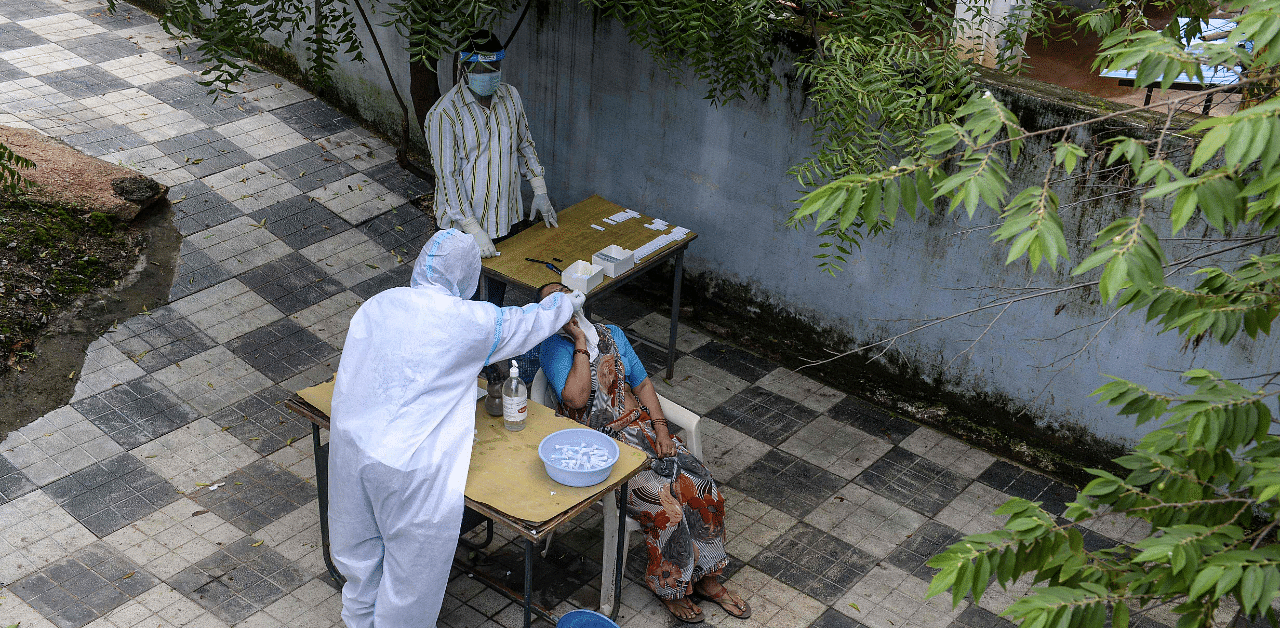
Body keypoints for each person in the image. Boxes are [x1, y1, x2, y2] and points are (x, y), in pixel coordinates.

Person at [326, 230, 578, 628]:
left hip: (352, 448)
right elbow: (531, 322)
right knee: (410, 580)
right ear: (467, 275)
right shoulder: (470, 321)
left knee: (359, 561)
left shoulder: (379, 304)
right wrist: (567, 298)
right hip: (411, 470)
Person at [537, 282, 751, 623]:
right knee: (665, 503)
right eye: (552, 302)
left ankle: (709, 579)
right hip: (603, 449)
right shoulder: (552, 348)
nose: (562, 305)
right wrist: (579, 342)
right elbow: (575, 400)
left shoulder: (612, 334)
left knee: (703, 487)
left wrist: (663, 430)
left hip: (645, 432)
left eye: (565, 295)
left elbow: (643, 385)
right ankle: (671, 588)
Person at [425, 29, 557, 307]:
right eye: (483, 69)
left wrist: (539, 190)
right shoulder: (444, 114)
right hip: (463, 228)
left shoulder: (510, 97)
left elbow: (524, 145)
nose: (490, 75)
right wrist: (473, 229)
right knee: (463, 301)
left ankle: (490, 346)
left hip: (504, 219)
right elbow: (448, 177)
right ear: (465, 68)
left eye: (494, 68)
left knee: (493, 298)